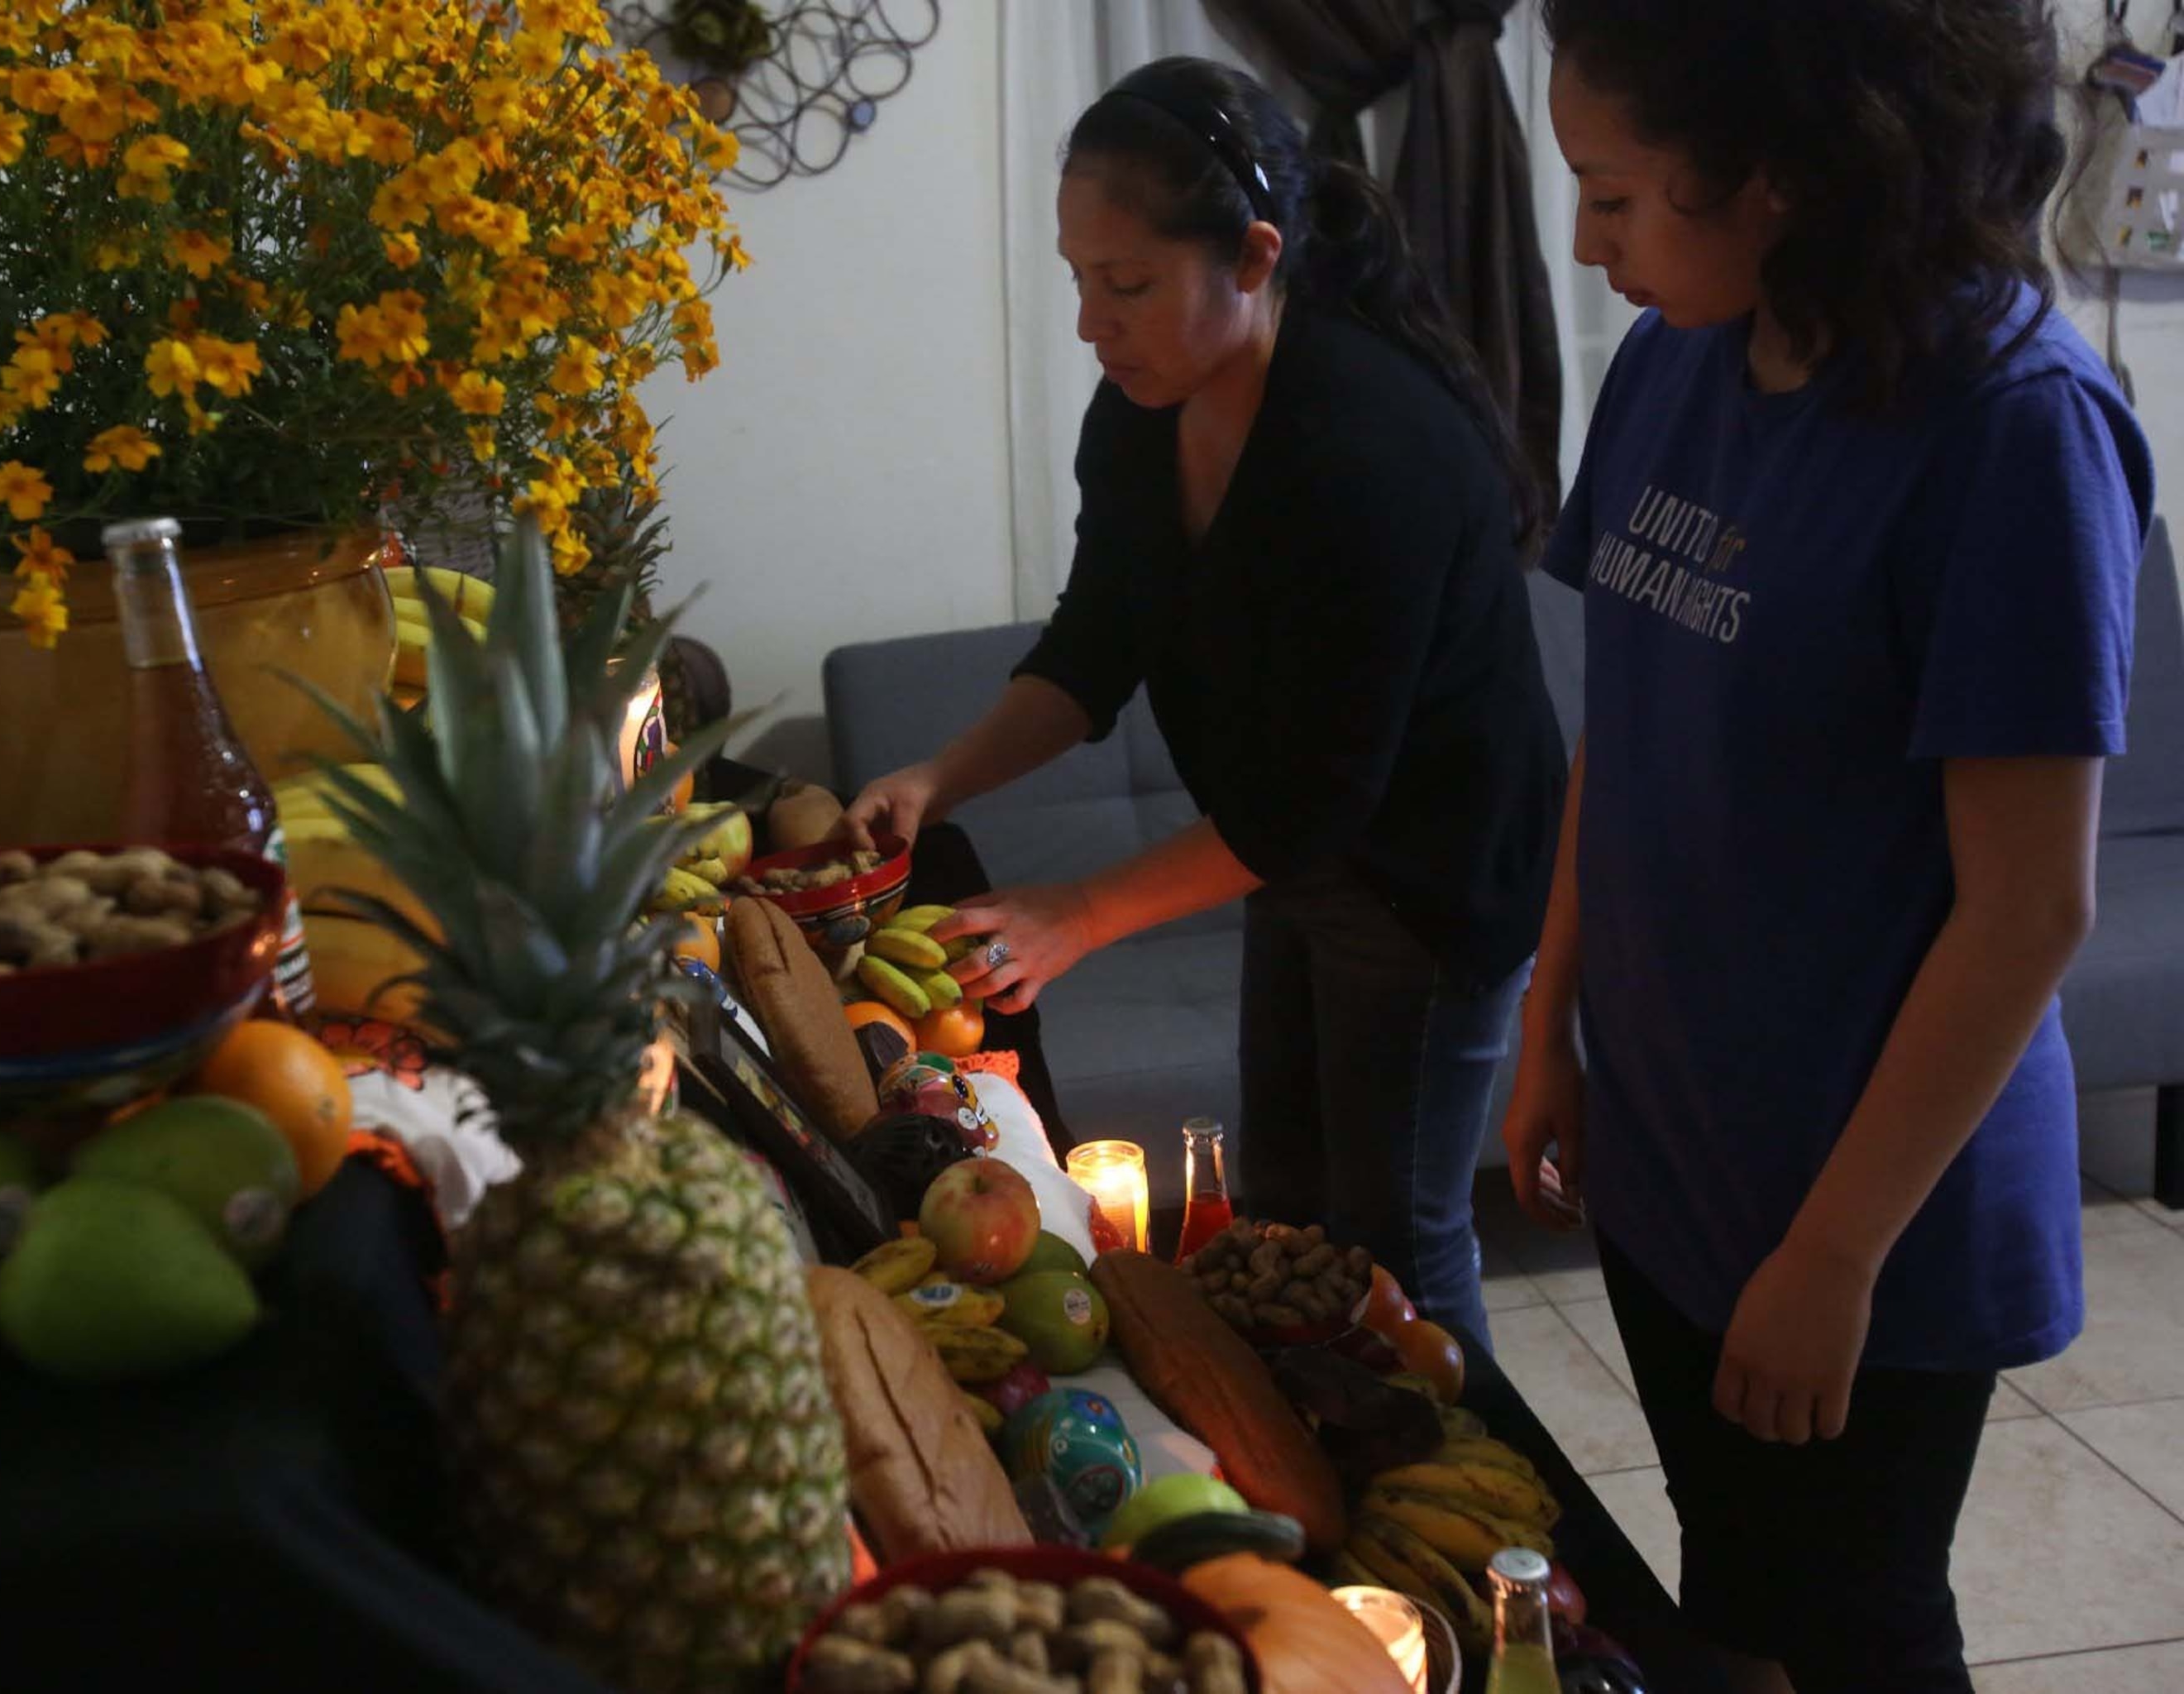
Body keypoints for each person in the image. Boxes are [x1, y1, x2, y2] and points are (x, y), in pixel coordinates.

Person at [1503, 4, 2154, 1690]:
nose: (1589, 243)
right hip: (1674, 1148)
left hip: (1869, 1203)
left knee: (1855, 1626)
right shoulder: (1672, 361)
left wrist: (1835, 1252)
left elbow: (2029, 909)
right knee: (1729, 1604)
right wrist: (1552, 1018)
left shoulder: (2011, 420)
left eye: (1618, 195)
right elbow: (1623, 740)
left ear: (1781, 175)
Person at [841, 56, 1567, 1344]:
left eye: (1126, 285)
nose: (1090, 324)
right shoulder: (1141, 414)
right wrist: (937, 778)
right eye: (1078, 281)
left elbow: (1321, 801)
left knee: (1396, 1239)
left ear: (1253, 257)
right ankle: (1318, 1478)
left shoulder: (1365, 449)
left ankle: (1470, 1517)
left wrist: (1083, 911)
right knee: (1286, 1210)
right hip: (1287, 854)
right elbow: (1092, 649)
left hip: (1430, 880)